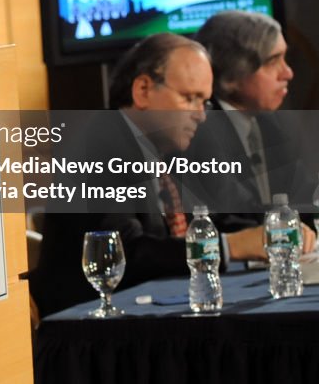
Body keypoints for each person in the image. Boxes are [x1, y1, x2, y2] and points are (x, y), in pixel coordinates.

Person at [30, 34, 276, 318]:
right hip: (91, 331)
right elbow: (125, 254)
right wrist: (227, 246)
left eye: (204, 102)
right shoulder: (98, 149)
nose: (201, 115)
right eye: (189, 98)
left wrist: (270, 231)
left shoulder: (168, 147)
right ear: (143, 90)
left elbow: (221, 215)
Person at [188, 10, 306, 222]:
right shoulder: (201, 126)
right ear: (233, 70)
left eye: (285, 58)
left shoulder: (271, 123)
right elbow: (234, 214)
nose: (288, 73)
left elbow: (303, 195)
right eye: (273, 61)